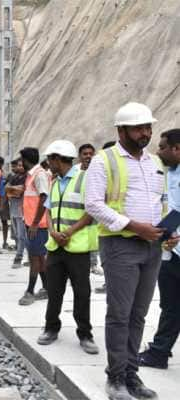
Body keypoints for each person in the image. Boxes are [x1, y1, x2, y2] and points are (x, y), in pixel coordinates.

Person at [85, 102, 175, 400]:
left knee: (138, 314)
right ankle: (115, 378)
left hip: (152, 247)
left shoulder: (154, 163)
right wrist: (136, 227)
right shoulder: (104, 160)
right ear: (121, 130)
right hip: (120, 245)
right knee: (120, 314)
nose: (145, 133)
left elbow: (160, 202)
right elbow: (94, 205)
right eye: (139, 128)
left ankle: (131, 375)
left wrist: (168, 231)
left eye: (148, 128)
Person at [36, 140, 99, 354]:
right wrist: (53, 231)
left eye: (49, 159)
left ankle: (85, 334)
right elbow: (50, 210)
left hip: (77, 247)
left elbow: (91, 212)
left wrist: (69, 233)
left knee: (82, 292)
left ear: (57, 159)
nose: (48, 163)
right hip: (56, 246)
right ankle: (50, 328)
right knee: (54, 291)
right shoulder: (54, 181)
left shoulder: (85, 179)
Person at [139, 129, 180, 370]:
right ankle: (159, 352)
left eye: (163, 147)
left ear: (177, 148)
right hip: (169, 252)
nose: (158, 151)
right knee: (171, 305)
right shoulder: (165, 172)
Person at [19, 147, 50, 306]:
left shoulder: (39, 175)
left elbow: (45, 198)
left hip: (37, 225)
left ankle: (30, 291)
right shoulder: (32, 175)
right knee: (38, 256)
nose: (20, 163)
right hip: (32, 223)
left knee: (34, 257)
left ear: (25, 160)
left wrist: (36, 223)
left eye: (21, 160)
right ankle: (46, 288)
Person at [94, 140, 119, 295]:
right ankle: (108, 283)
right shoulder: (101, 172)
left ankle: (111, 285)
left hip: (123, 228)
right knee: (107, 261)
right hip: (106, 228)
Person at [77, 143, 104, 276]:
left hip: (94, 211)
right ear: (79, 156)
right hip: (78, 212)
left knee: (93, 237)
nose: (88, 156)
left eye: (90, 154)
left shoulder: (98, 170)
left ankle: (93, 264)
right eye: (85, 154)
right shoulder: (75, 171)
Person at [6, 158, 27, 267]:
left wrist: (12, 190)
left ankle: (19, 257)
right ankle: (26, 256)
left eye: (21, 165)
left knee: (21, 235)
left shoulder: (26, 177)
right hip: (13, 210)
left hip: (21, 210)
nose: (19, 167)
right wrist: (13, 190)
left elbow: (20, 191)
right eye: (18, 165)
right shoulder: (13, 177)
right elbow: (6, 190)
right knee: (17, 236)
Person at [0, 156, 12, 250]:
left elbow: (8, 187)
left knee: (4, 221)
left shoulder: (6, 175)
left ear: (1, 164)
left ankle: (5, 241)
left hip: (4, 201)